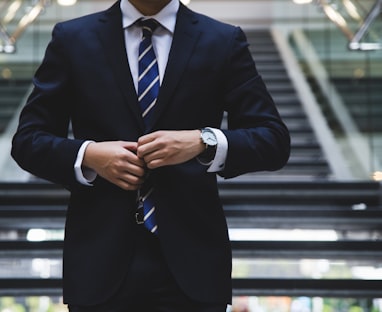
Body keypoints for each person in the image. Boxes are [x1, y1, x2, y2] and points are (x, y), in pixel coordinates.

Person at [11, 0, 290, 311]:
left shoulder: (222, 40)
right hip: (98, 262)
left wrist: (203, 140)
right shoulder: (73, 38)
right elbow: (28, 140)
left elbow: (272, 139)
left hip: (194, 265)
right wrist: (89, 154)